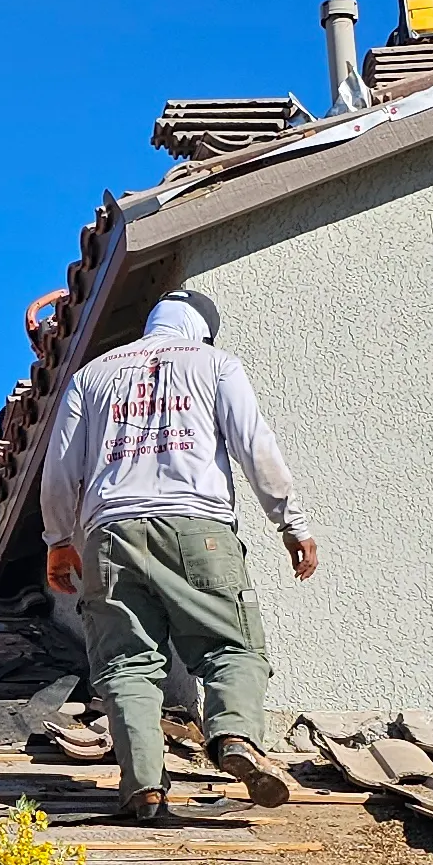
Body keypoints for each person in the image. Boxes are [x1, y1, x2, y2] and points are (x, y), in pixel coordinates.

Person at [40, 290, 318, 824]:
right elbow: (256, 446)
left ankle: (143, 786)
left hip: (109, 535)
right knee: (232, 648)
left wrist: (57, 540)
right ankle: (234, 734)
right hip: (198, 528)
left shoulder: (93, 376)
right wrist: (292, 523)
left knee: (126, 665)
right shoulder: (215, 364)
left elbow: (59, 469)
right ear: (202, 330)